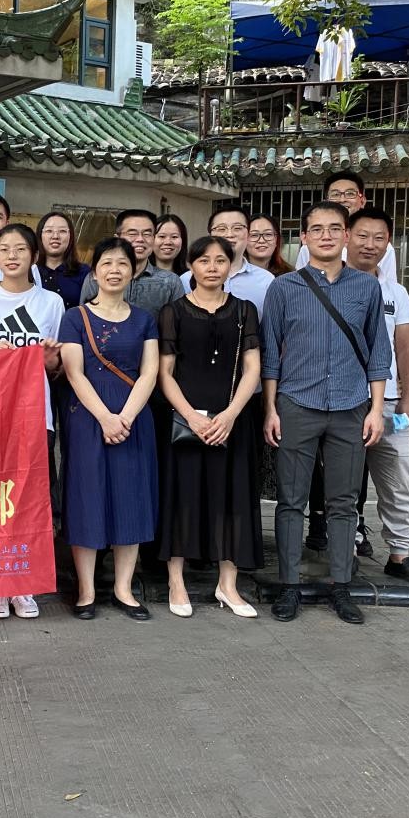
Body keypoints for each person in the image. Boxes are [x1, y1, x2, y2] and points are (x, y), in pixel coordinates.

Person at [262, 201, 393, 626]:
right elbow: (270, 356)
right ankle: (289, 586)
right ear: (303, 238)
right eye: (316, 229)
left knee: (343, 502)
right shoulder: (284, 288)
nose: (326, 235)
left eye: (335, 228)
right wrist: (270, 409)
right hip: (296, 404)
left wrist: (376, 409)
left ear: (346, 236)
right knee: (291, 501)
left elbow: (378, 352)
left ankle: (341, 586)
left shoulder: (366, 288)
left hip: (351, 407)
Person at [0, 222, 64, 621]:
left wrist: (48, 360)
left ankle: (23, 584)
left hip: (36, 413)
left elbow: (57, 367)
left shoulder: (51, 303)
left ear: (33, 256)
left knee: (29, 501)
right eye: (4, 249)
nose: (12, 255)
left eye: (21, 248)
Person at [158, 236, 264, 619]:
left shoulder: (245, 311)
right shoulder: (173, 312)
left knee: (232, 498)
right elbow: (165, 372)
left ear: (230, 266)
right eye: (204, 260)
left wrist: (231, 414)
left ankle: (228, 584)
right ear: (191, 266)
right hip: (185, 419)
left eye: (221, 260)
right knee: (181, 496)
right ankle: (176, 581)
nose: (213, 267)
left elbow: (252, 367)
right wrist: (191, 415)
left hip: (232, 419)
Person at [58, 237, 160, 621]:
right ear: (95, 271)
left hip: (133, 419)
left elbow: (149, 373)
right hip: (87, 418)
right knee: (87, 497)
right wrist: (105, 417)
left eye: (122, 264)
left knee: (130, 498)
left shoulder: (144, 319)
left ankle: (123, 589)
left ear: (133, 271)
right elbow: (74, 373)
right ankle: (86, 590)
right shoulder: (75, 317)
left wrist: (125, 418)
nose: (114, 270)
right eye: (107, 263)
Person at [345, 207, 409, 588]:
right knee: (343, 483)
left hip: (389, 405)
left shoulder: (395, 293)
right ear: (347, 236)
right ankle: (345, 552)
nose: (370, 244)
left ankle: (400, 554)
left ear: (388, 244)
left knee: (398, 480)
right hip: (343, 403)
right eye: (362, 235)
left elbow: (407, 348)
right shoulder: (329, 285)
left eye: (379, 238)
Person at [79, 210, 182, 321]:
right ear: (117, 238)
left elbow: (177, 325)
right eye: (132, 234)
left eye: (147, 234)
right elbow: (84, 319)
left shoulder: (170, 282)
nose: (140, 239)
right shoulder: (97, 278)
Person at [295, 171, 398, 283]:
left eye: (350, 194)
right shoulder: (311, 244)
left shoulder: (380, 246)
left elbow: (388, 286)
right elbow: (300, 283)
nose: (342, 199)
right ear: (326, 202)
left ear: (362, 201)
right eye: (335, 194)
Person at [180, 204, 274, 316]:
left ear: (249, 233)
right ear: (210, 234)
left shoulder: (266, 280)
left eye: (237, 228)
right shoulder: (186, 280)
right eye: (221, 229)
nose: (229, 235)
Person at [36, 211, 89, 308]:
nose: (55, 236)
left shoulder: (84, 273)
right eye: (49, 231)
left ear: (70, 237)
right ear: (40, 236)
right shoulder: (30, 273)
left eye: (62, 231)